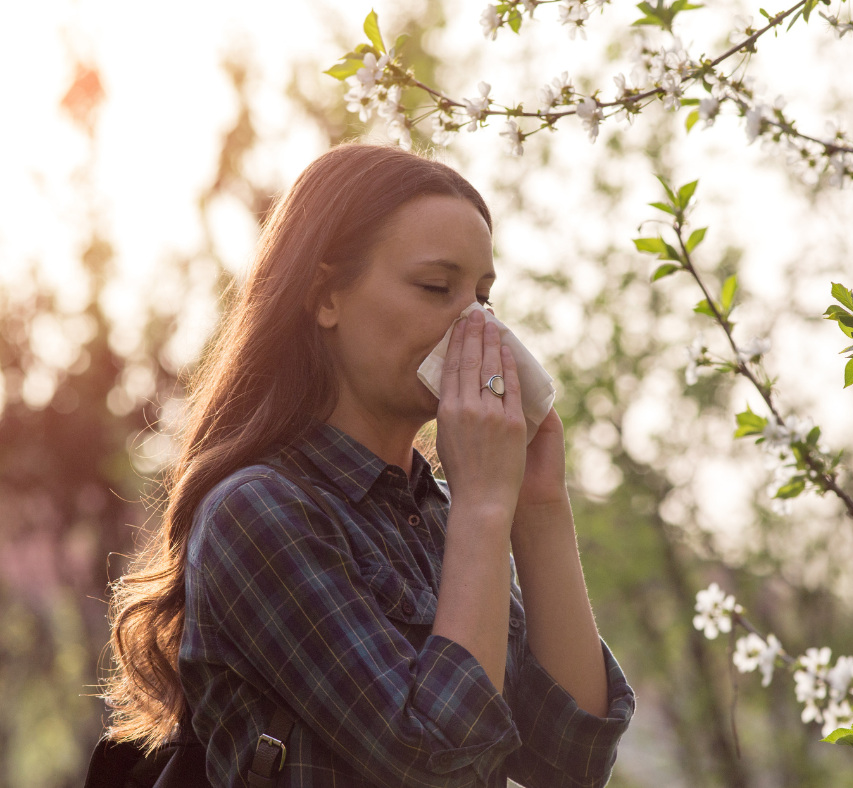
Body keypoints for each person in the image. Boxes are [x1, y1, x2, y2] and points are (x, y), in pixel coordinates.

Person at [103, 142, 635, 787]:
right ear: (326, 296)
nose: (476, 328)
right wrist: (484, 509)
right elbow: (430, 760)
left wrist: (539, 509)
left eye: (484, 297)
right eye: (437, 287)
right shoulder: (260, 511)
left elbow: (571, 761)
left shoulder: (445, 516)